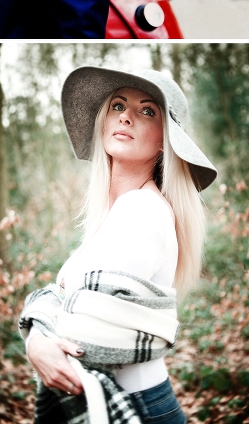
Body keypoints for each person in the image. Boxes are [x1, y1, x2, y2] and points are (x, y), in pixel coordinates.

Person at [19, 66, 217, 423]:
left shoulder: (141, 209)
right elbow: (67, 307)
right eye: (118, 106)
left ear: (165, 140)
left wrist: (38, 329)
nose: (126, 116)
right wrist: (38, 337)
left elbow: (85, 338)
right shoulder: (115, 213)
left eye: (147, 111)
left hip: (138, 408)